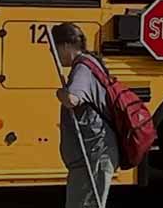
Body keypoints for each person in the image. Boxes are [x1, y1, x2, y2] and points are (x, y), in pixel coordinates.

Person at [50, 24, 116, 208]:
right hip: (93, 154)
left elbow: (72, 99)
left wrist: (60, 93)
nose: (53, 54)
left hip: (94, 156)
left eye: (53, 49)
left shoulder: (82, 68)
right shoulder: (91, 62)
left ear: (65, 46)